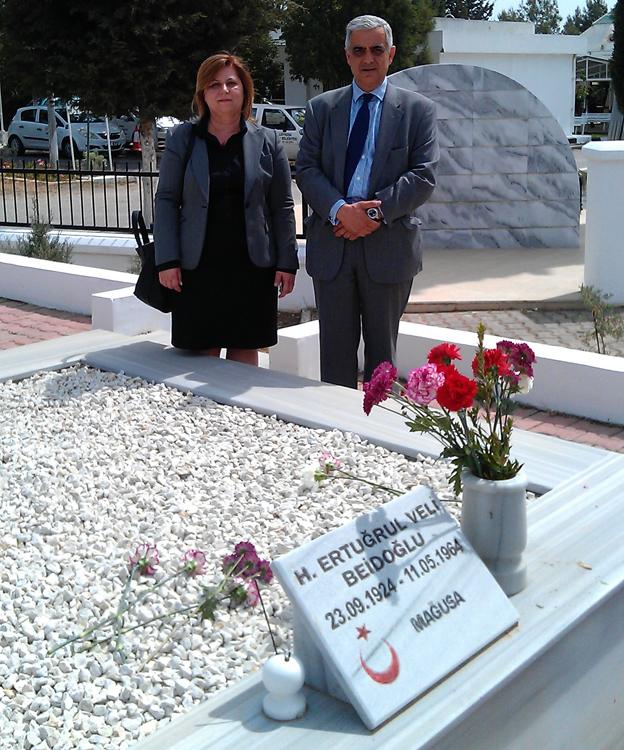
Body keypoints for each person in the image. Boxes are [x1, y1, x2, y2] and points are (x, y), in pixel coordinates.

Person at [296, 15, 439, 388]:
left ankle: (377, 435)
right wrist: (341, 211)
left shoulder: (417, 111)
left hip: (388, 247)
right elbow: (307, 169)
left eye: (377, 49)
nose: (368, 58)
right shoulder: (321, 109)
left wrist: (371, 213)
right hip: (333, 244)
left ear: (391, 54)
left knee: (382, 363)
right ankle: (335, 435)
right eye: (358, 50)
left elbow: (423, 177)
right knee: (336, 354)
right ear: (347, 56)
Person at [154, 53, 298, 366]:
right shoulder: (183, 138)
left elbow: (282, 204)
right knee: (202, 349)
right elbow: (166, 199)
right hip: (197, 266)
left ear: (245, 90)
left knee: (244, 349)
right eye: (214, 84)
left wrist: (288, 261)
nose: (224, 90)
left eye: (232, 83)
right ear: (202, 93)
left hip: (251, 266)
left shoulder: (268, 141)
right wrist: (166, 259)